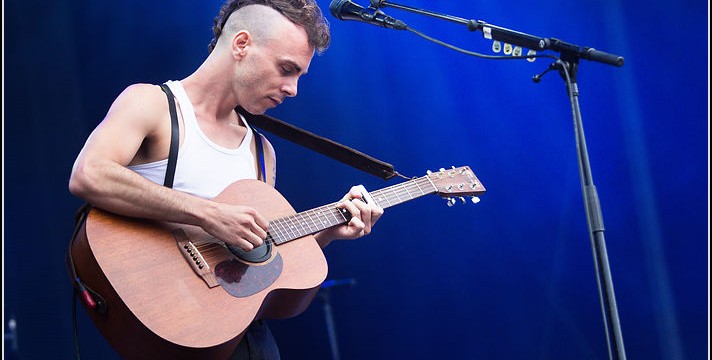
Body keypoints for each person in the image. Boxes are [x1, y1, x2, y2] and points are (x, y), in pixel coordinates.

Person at [68, 0, 384, 358]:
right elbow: (89, 174)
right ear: (242, 44)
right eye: (286, 69)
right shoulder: (153, 105)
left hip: (239, 340)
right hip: (169, 331)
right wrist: (208, 214)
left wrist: (328, 231)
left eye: (298, 76)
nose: (293, 88)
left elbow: (259, 264)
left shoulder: (261, 152)